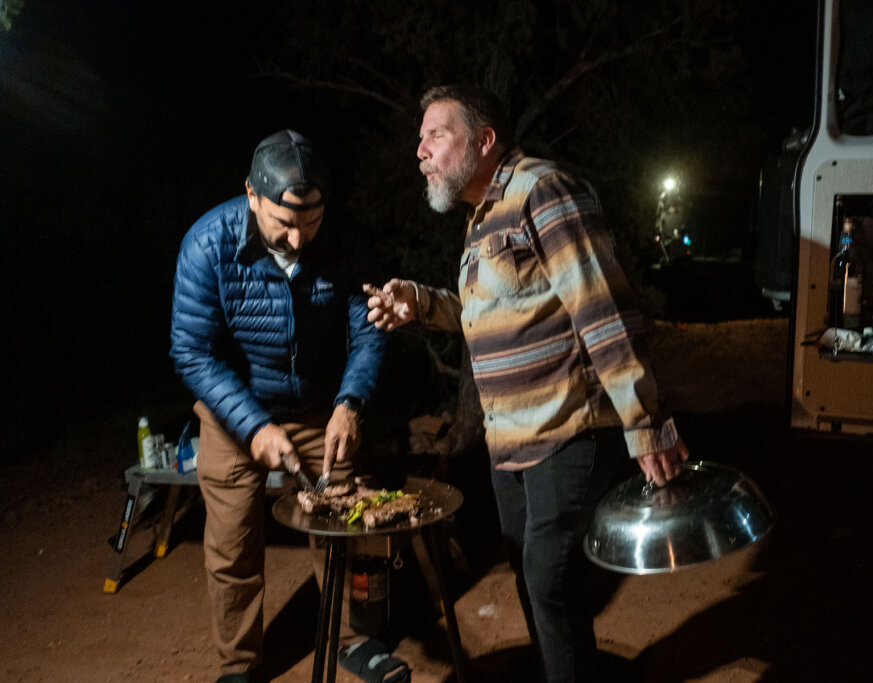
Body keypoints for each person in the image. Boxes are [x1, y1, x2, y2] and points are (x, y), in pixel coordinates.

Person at [365, 85, 689, 682]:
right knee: (537, 587)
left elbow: (603, 308)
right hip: (510, 445)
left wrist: (646, 423)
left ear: (484, 140)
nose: (420, 150)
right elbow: (487, 314)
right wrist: (421, 303)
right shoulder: (482, 218)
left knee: (549, 581)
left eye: (436, 134)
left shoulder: (543, 190)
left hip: (570, 434)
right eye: (421, 138)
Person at [170, 129, 389, 683]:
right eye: (284, 223)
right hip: (232, 412)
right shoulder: (207, 244)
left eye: (309, 223)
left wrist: (351, 402)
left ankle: (357, 640)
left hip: (320, 408)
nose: (297, 238)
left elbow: (370, 332)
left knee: (347, 525)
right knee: (233, 544)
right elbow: (192, 352)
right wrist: (253, 425)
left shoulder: (342, 240)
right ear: (251, 194)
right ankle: (239, 664)